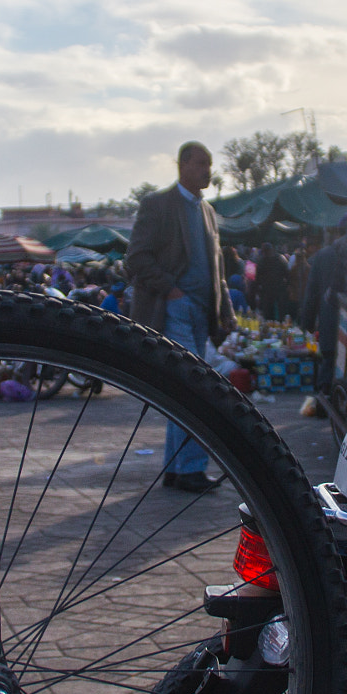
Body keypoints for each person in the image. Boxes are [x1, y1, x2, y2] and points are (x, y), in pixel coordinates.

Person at [126, 141, 235, 493]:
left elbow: (216, 268)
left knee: (183, 390)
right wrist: (172, 290)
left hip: (201, 312)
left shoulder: (206, 210)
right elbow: (137, 258)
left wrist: (225, 309)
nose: (208, 170)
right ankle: (188, 470)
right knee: (194, 389)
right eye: (203, 163)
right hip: (174, 309)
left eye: (210, 164)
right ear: (183, 165)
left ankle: (176, 470)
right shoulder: (158, 204)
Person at [299, 213, 347, 383]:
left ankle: (322, 404)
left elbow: (311, 294)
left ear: (338, 231)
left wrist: (307, 324)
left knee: (328, 370)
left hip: (329, 324)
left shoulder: (322, 255)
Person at [254, 243, 290, 321]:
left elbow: (287, 275)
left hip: (275, 289)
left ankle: (278, 323)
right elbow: (287, 274)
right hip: (271, 289)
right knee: (270, 311)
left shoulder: (277, 259)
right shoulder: (264, 260)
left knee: (278, 311)